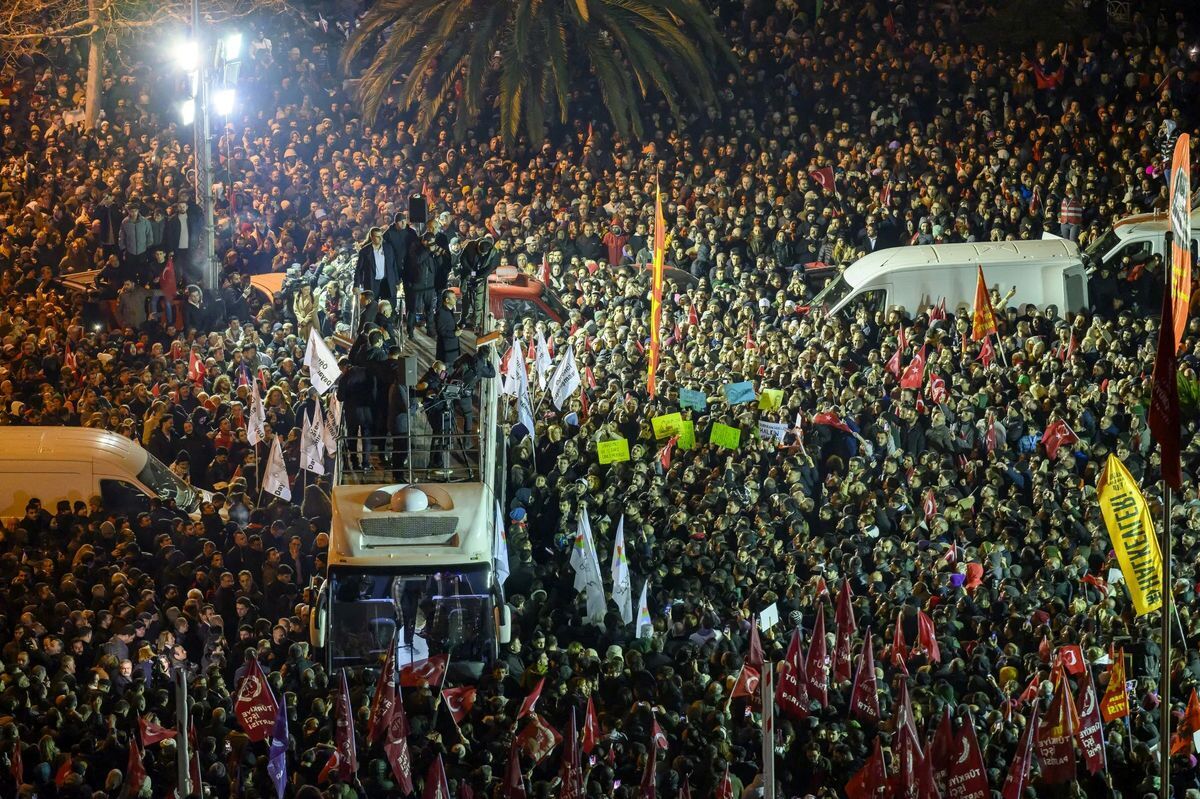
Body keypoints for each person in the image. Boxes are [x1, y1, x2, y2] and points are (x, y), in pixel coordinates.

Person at [353, 226, 399, 304]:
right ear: (372, 237)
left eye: (381, 236)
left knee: (389, 306)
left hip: (387, 282)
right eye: (377, 236)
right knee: (372, 306)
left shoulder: (388, 248)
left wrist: (397, 282)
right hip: (372, 283)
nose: (380, 238)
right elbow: (359, 270)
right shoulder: (365, 251)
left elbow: (393, 265)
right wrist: (356, 285)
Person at [433, 289, 460, 364]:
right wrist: (454, 334)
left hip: (452, 350)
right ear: (447, 300)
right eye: (453, 298)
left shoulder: (449, 311)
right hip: (446, 353)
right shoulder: (441, 313)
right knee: (446, 370)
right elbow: (441, 331)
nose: (456, 299)